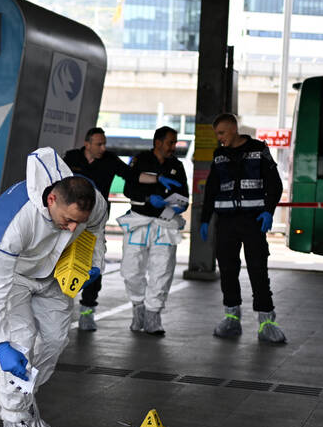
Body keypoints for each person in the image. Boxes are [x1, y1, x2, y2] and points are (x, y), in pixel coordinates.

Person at [0, 147, 108, 427]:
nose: (73, 227)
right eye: (68, 220)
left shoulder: (91, 203)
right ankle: (13, 426)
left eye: (77, 222)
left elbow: (95, 231)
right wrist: (0, 343)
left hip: (49, 267)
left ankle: (25, 398)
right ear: (51, 200)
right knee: (21, 340)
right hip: (5, 270)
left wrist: (93, 263)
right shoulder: (16, 220)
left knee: (56, 339)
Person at [199, 113, 286, 343]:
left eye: (222, 133)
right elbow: (211, 189)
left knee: (258, 269)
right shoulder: (219, 155)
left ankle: (267, 321)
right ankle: (231, 319)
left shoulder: (258, 150)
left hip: (253, 220)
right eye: (217, 134)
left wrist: (268, 210)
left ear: (234, 129)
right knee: (227, 270)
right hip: (226, 222)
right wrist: (205, 219)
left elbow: (274, 184)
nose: (219, 139)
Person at [62, 127, 134, 331]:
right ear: (87, 144)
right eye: (98, 144)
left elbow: (132, 176)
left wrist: (154, 182)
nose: (103, 147)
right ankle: (60, 307)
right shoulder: (72, 157)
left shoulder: (110, 160)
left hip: (95, 222)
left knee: (95, 264)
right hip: (69, 220)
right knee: (62, 259)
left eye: (104, 143)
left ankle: (87, 311)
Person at [119, 126, 189, 335]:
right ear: (158, 142)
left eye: (175, 142)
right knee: (131, 270)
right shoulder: (140, 160)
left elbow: (183, 193)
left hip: (165, 224)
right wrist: (149, 198)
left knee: (162, 270)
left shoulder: (177, 165)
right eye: (170, 142)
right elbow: (128, 188)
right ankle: (138, 307)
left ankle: (153, 315)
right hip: (138, 221)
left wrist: (182, 205)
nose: (173, 147)